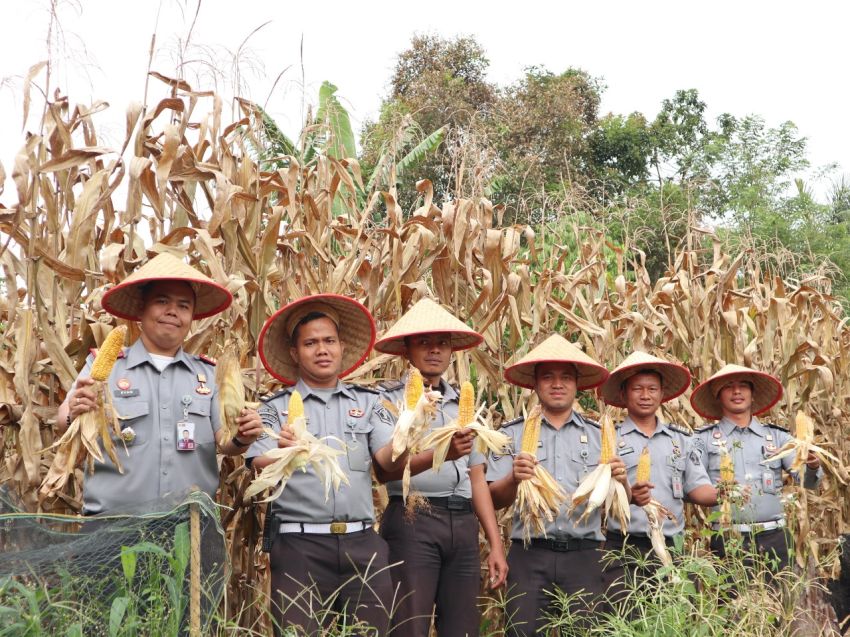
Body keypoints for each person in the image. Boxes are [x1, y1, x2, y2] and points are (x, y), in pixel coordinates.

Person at [247, 293, 406, 636]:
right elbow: (259, 463)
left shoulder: (368, 403)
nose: (322, 349)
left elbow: (388, 460)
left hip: (362, 544)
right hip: (299, 548)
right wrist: (282, 450)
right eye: (311, 343)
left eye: (329, 341)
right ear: (295, 353)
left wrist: (414, 429)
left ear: (342, 347)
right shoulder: (273, 409)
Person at [56, 252, 264, 515]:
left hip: (188, 527)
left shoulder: (209, 374)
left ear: (192, 318)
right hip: (113, 527)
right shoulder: (106, 367)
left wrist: (243, 436)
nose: (172, 312)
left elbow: (225, 441)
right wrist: (74, 409)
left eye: (183, 305)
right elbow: (63, 419)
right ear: (141, 309)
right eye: (162, 301)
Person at [372, 297, 508, 637]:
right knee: (408, 627)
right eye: (424, 342)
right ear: (407, 349)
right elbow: (384, 470)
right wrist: (440, 455)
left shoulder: (465, 404)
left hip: (463, 525)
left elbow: (477, 480)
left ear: (451, 352)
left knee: (463, 629)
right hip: (412, 520)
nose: (435, 350)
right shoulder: (387, 401)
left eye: (443, 343)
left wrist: (495, 543)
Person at [487, 334, 630, 637]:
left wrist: (622, 482)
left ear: (577, 384)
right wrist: (513, 477)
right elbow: (494, 499)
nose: (557, 384)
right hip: (529, 555)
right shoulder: (511, 435)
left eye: (566, 377)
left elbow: (618, 506)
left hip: (585, 556)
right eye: (548, 377)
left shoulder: (598, 437)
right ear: (535, 384)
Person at [596, 351, 717, 598]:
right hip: (624, 548)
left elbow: (696, 488)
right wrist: (628, 495)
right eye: (637, 389)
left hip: (672, 546)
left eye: (652, 389)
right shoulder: (608, 439)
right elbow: (595, 494)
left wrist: (729, 493)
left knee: (674, 623)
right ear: (623, 394)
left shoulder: (681, 440)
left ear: (662, 395)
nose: (645, 395)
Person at [690, 364, 821, 570]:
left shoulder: (777, 437)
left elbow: (808, 482)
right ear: (717, 395)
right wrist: (723, 492)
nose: (736, 391)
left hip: (775, 539)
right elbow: (693, 487)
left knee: (779, 600)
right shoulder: (702, 440)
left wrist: (812, 466)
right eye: (728, 387)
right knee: (734, 601)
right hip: (729, 540)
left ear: (752, 394)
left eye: (743, 385)